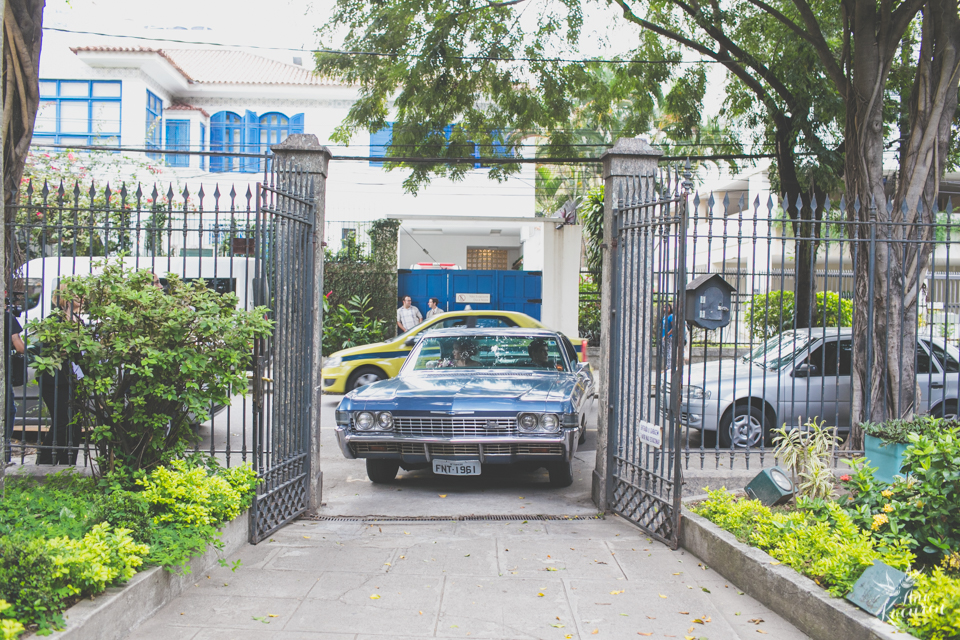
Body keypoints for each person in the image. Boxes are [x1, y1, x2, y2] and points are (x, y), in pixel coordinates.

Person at [37, 286, 84, 466]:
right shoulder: (53, 321)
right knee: (62, 422)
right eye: (76, 293)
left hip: (74, 379)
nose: (81, 297)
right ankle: (45, 462)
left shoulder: (78, 321)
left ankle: (67, 463)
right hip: (54, 380)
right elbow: (44, 350)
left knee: (75, 423)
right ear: (65, 297)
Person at [4, 305, 25, 464]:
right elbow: (20, 347)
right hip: (3, 373)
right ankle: (4, 453)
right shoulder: (7, 317)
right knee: (8, 411)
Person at [660, 303, 674, 372]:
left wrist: (667, 335)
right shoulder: (664, 317)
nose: (665, 309)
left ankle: (669, 368)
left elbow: (673, 327)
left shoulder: (671, 316)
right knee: (664, 352)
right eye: (664, 307)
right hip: (663, 337)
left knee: (668, 352)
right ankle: (666, 366)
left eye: (667, 308)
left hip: (669, 337)